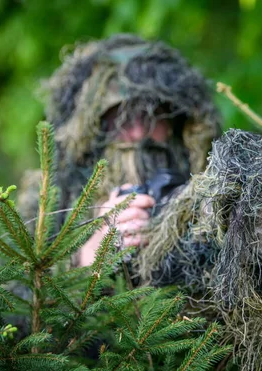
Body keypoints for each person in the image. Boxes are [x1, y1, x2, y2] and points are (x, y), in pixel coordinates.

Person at [19, 34, 221, 271]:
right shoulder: (49, 202)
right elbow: (19, 292)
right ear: (93, 129)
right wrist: (89, 255)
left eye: (150, 116)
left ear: (176, 121)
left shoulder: (215, 180)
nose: (137, 133)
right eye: (120, 121)